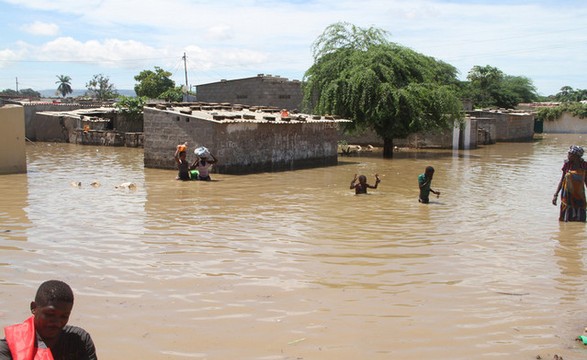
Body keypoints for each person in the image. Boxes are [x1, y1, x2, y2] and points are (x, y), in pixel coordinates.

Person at [0, 280, 97, 360]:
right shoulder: (8, 347)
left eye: (64, 316)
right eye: (50, 314)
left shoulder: (79, 340)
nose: (57, 323)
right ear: (34, 308)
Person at [552, 145, 587, 222]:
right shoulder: (567, 165)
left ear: (576, 156)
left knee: (581, 220)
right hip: (567, 196)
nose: (568, 155)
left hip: (580, 196)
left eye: (570, 154)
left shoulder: (584, 165)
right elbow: (562, 180)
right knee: (566, 219)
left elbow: (586, 181)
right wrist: (556, 195)